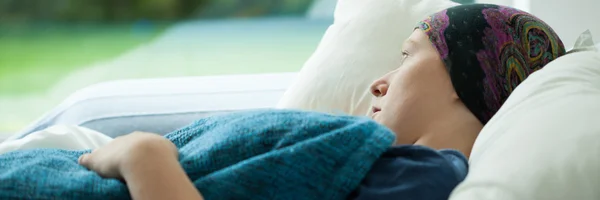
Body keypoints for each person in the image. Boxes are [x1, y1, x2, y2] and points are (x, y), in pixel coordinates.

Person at [77, 4, 565, 200]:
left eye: (406, 58)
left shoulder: (426, 179)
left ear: (469, 74)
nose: (379, 82)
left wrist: (144, 156)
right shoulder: (400, 167)